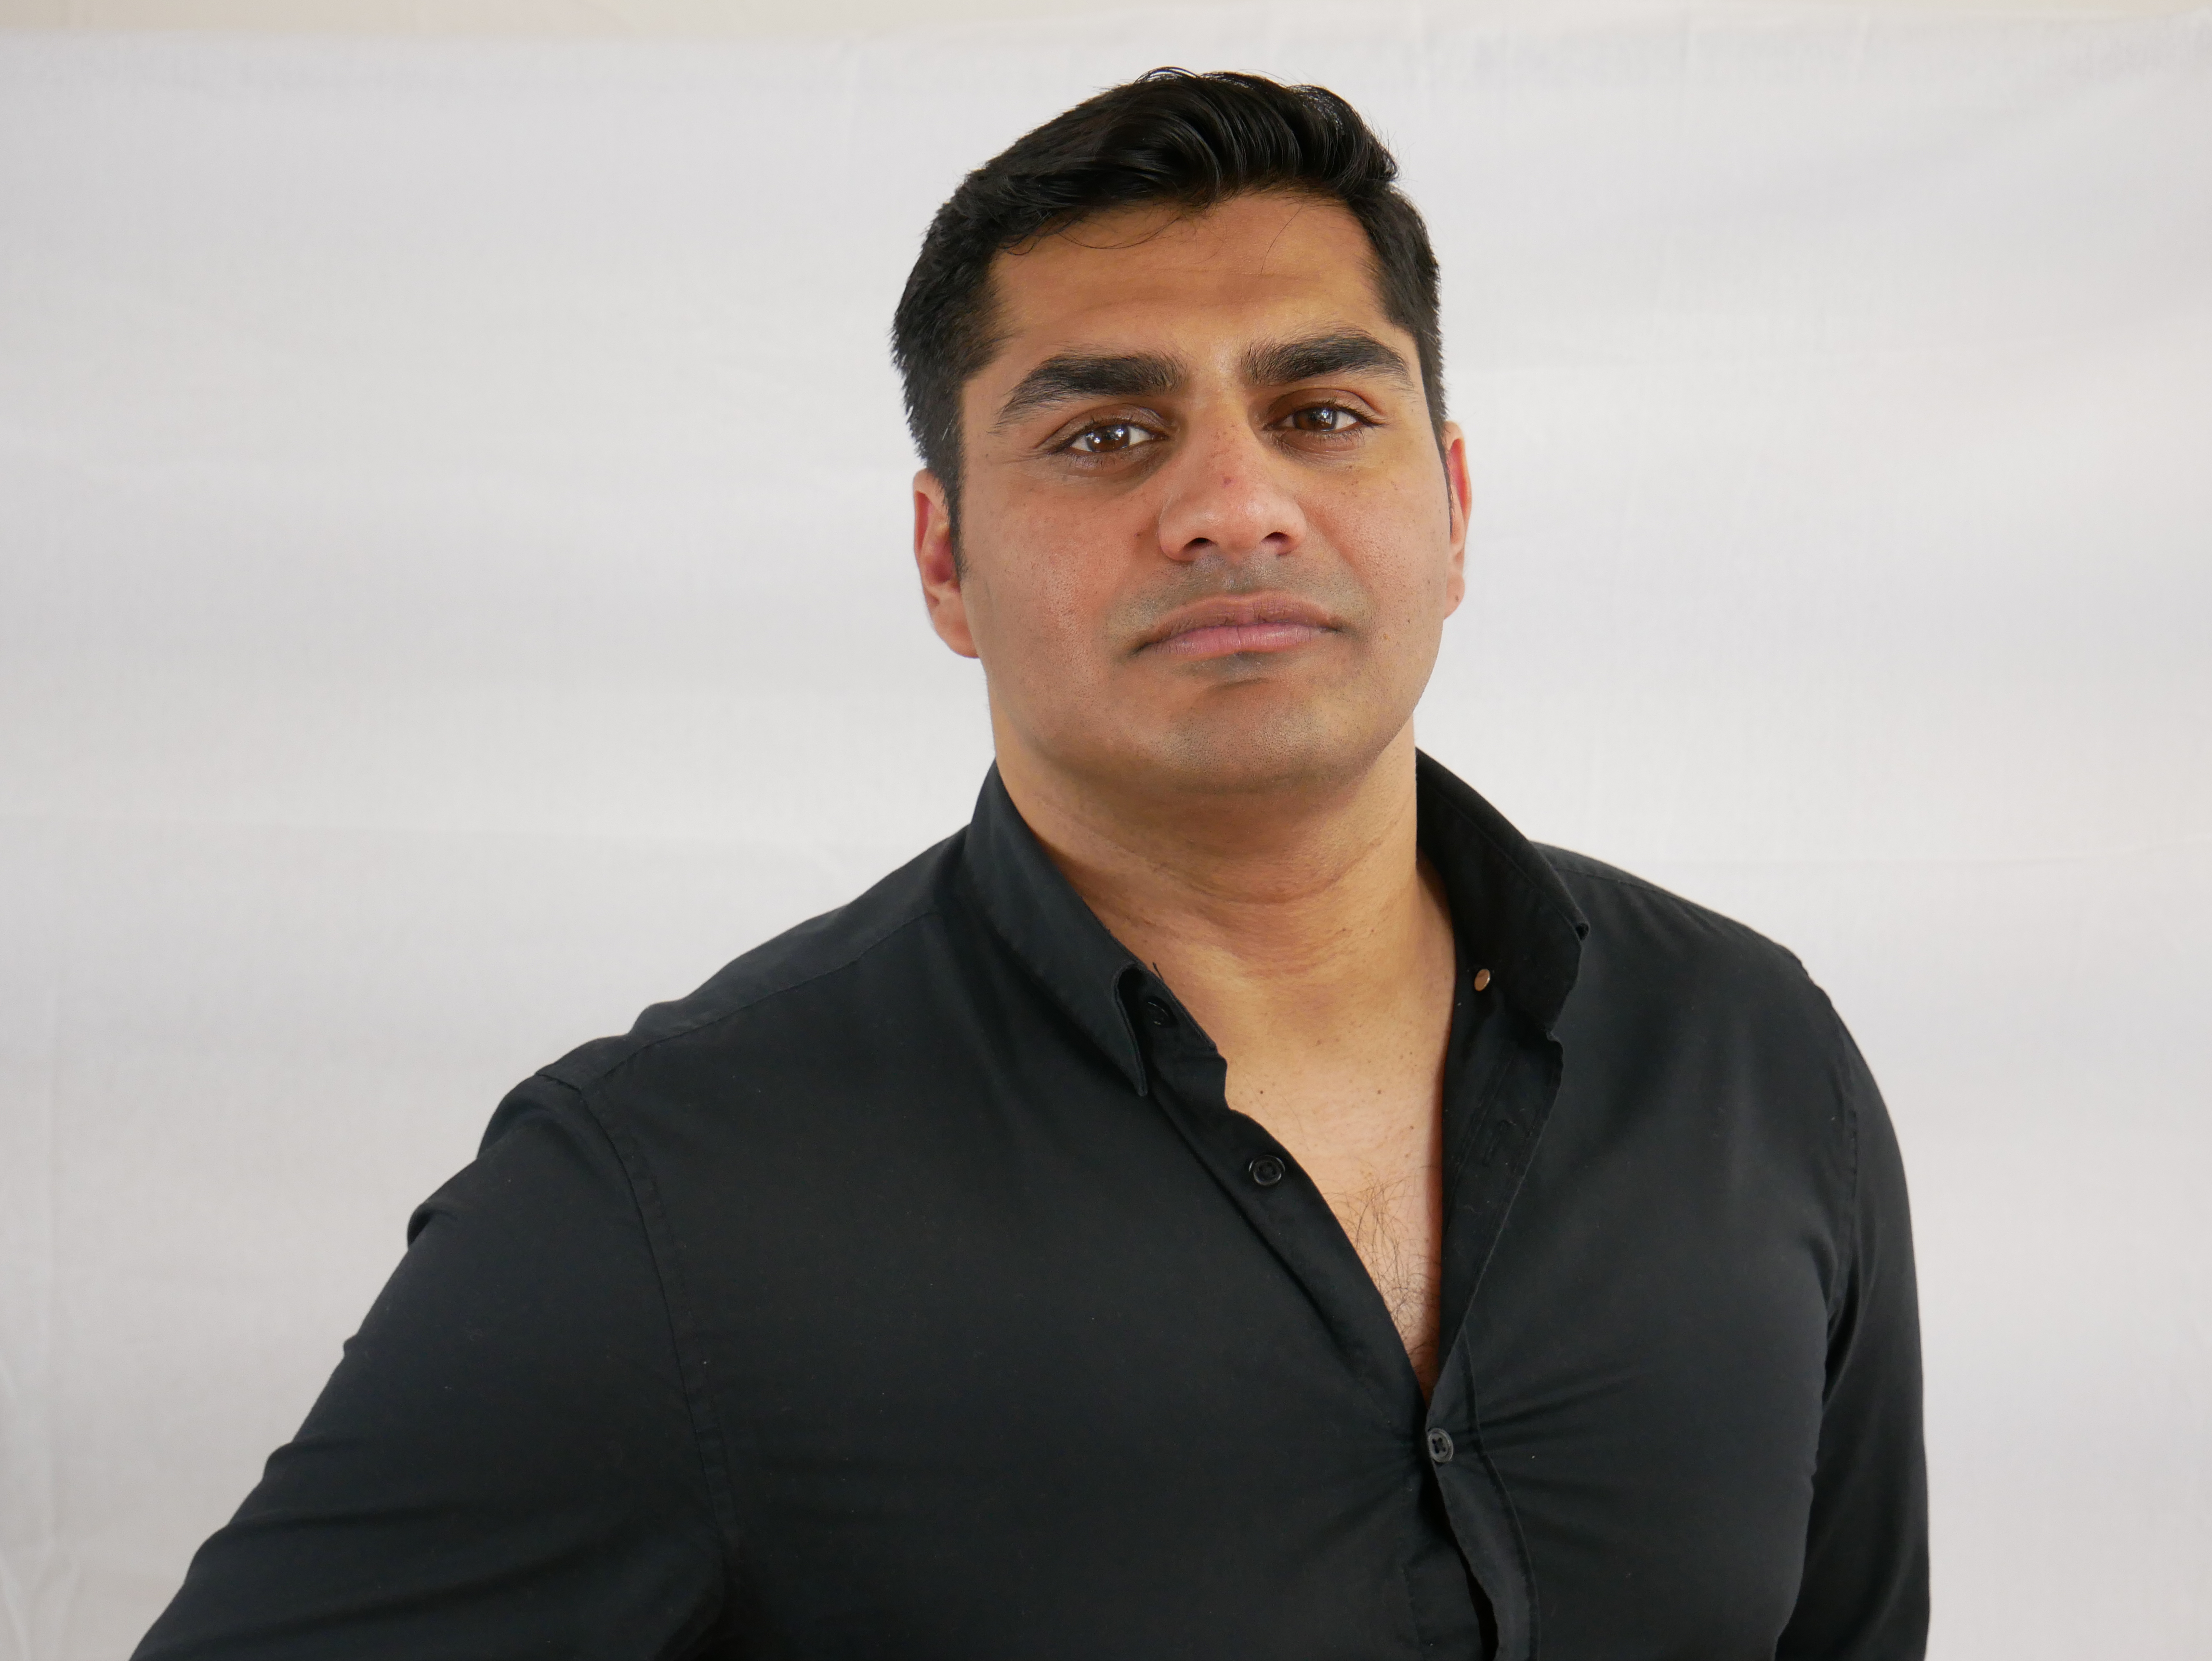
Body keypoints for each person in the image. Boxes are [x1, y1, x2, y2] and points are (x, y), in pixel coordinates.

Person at [136, 69, 1925, 1661]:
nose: (1235, 505)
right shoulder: (661, 1203)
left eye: (1321, 411)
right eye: (1105, 435)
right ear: (946, 562)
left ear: (1452, 506)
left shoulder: (1753, 1060)